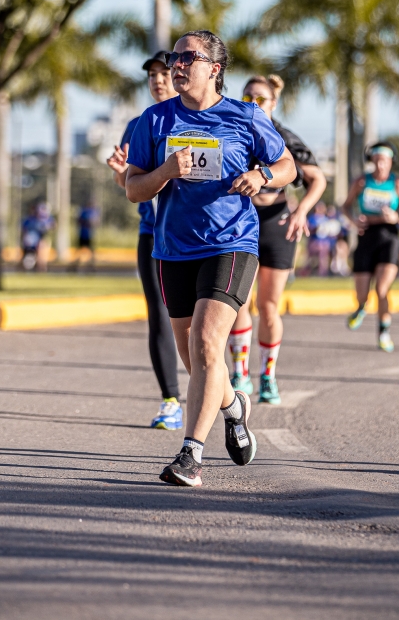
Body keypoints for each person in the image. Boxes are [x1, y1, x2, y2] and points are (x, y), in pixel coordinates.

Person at [125, 29, 294, 487]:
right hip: (173, 249)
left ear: (215, 68)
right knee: (196, 356)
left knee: (206, 342)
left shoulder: (246, 115)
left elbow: (288, 167)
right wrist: (165, 171)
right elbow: (134, 188)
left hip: (231, 243)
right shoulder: (154, 120)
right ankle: (233, 406)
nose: (177, 65)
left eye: (188, 58)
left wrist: (262, 176)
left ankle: (191, 455)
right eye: (174, 58)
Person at [226, 75, 327, 404]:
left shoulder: (283, 136)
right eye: (248, 96)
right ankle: (240, 373)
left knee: (269, 306)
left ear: (274, 103)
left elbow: (317, 179)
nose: (254, 102)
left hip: (277, 223)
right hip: (243, 221)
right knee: (240, 302)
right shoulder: (233, 129)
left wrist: (302, 212)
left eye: (261, 98)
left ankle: (268, 377)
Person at [107, 50, 183, 428]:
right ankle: (171, 400)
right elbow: (130, 184)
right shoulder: (138, 125)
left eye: (163, 73)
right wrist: (120, 173)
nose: (157, 80)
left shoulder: (199, 119)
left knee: (201, 318)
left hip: (197, 236)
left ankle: (225, 382)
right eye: (152, 75)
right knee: (159, 314)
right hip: (152, 234)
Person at [342, 141, 399, 352]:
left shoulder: (398, 184)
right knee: (362, 294)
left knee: (382, 289)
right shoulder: (362, 181)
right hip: (366, 237)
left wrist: (397, 217)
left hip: (389, 238)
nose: (381, 165)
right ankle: (361, 307)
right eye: (377, 161)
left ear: (391, 162)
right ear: (372, 161)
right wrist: (354, 221)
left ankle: (384, 332)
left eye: (385, 161)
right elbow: (346, 206)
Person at [20, 202, 52, 272]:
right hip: (30, 242)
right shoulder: (28, 220)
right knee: (28, 256)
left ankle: (42, 268)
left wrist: (47, 227)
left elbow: (52, 225)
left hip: (40, 239)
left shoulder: (43, 219)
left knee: (42, 252)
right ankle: (29, 268)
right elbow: (24, 230)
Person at [73, 200, 100, 272]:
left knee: (89, 252)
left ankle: (90, 266)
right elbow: (80, 221)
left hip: (88, 235)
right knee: (83, 251)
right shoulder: (85, 212)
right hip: (84, 234)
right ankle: (76, 266)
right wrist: (89, 222)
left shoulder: (89, 212)